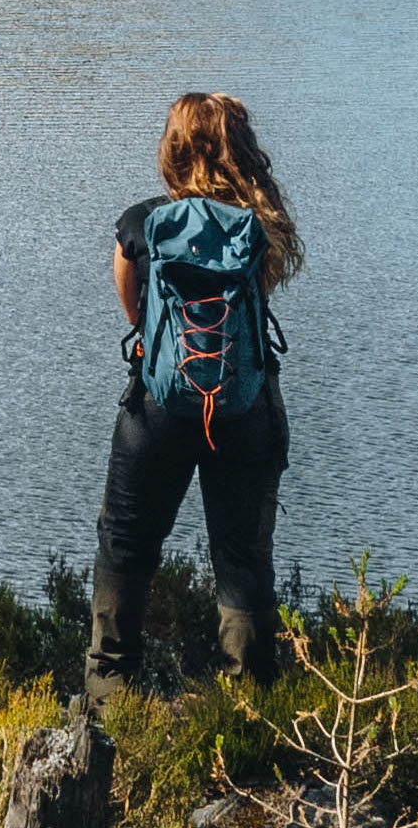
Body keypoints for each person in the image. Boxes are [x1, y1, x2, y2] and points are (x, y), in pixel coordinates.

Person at [89, 89, 304, 689]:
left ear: (174, 148)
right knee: (241, 561)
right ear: (242, 149)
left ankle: (109, 708)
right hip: (244, 408)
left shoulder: (141, 223)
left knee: (126, 548)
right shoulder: (261, 227)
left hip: (156, 411)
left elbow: (134, 313)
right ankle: (249, 717)